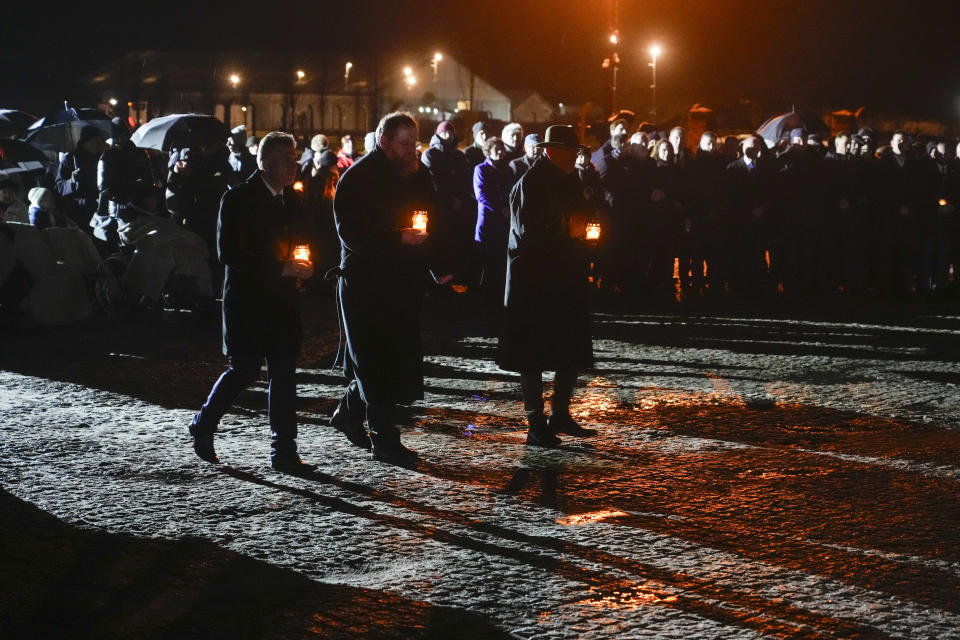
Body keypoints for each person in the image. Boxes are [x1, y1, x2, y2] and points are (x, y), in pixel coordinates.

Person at [330, 112, 452, 466]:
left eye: (415, 143)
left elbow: (434, 216)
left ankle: (348, 412)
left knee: (393, 357)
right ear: (384, 141)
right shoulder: (358, 178)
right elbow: (351, 232)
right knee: (372, 360)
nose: (412, 151)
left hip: (403, 282)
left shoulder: (418, 174)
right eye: (404, 144)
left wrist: (440, 262)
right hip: (366, 283)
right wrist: (397, 237)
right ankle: (384, 439)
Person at [189, 132, 315, 472]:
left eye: (295, 158)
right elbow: (229, 253)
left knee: (284, 373)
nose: (295, 165)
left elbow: (299, 240)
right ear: (266, 162)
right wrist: (280, 267)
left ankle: (284, 450)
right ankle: (204, 422)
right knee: (243, 370)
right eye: (287, 159)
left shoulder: (291, 199)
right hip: (249, 302)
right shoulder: (238, 198)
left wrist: (303, 263)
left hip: (283, 301)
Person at [497, 125, 595, 447]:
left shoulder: (569, 181)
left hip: (563, 278)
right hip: (535, 283)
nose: (575, 158)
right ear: (552, 151)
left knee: (569, 346)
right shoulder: (531, 183)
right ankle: (536, 422)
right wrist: (569, 231)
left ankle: (560, 413)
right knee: (533, 354)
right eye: (571, 152)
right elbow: (529, 234)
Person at [473, 136, 513, 300]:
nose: (499, 152)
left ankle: (496, 290)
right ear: (488, 151)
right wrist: (500, 208)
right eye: (496, 149)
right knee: (486, 254)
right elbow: (481, 194)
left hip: (503, 218)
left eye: (501, 149)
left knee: (500, 255)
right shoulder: (481, 169)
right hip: (488, 218)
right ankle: (482, 291)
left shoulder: (507, 170)